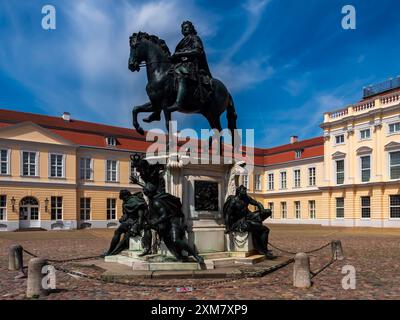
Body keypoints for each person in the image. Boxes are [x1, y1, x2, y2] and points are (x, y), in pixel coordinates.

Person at [143, 182, 204, 264]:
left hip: (172, 222)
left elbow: (164, 216)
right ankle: (180, 257)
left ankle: (196, 256)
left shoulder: (156, 202)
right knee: (168, 243)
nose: (146, 195)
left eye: (147, 193)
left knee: (176, 240)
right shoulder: (154, 199)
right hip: (164, 226)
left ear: (150, 193)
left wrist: (153, 224)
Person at [223, 185, 275, 259]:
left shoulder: (246, 198)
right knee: (264, 229)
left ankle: (263, 248)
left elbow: (257, 203)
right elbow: (228, 215)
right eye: (243, 191)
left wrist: (262, 209)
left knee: (267, 211)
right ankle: (264, 250)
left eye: (245, 191)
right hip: (238, 222)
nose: (245, 192)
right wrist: (228, 228)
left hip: (248, 217)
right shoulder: (234, 201)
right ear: (239, 192)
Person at [104, 190, 152, 256]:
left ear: (126, 196)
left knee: (125, 236)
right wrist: (123, 218)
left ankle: (113, 252)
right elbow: (126, 214)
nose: (123, 200)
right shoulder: (126, 202)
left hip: (136, 221)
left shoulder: (135, 201)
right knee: (117, 231)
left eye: (123, 198)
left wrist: (138, 225)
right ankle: (110, 251)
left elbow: (141, 215)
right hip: (129, 221)